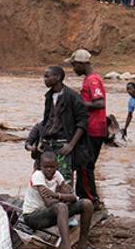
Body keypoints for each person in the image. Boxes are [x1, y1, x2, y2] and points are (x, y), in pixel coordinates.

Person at [22, 151, 102, 249]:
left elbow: (73, 197)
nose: (49, 170)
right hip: (33, 217)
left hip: (50, 213)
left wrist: (57, 196)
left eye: (52, 167)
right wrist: (62, 197)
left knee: (87, 204)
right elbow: (49, 203)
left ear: (57, 166)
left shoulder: (57, 175)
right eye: (46, 167)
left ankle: (82, 247)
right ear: (40, 166)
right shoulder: (37, 176)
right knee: (61, 207)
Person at [38, 66, 95, 203]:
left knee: (64, 178)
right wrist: (40, 140)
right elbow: (46, 120)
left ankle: (68, 211)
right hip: (49, 143)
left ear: (57, 77)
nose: (44, 79)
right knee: (46, 177)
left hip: (63, 143)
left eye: (47, 76)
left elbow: (82, 122)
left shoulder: (72, 97)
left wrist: (71, 145)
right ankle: (51, 209)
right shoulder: (49, 96)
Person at [67, 50, 105, 205]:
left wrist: (78, 103)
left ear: (82, 64)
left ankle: (90, 199)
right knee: (84, 165)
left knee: (85, 166)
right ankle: (84, 197)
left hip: (93, 128)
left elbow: (99, 103)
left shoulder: (93, 80)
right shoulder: (89, 80)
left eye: (74, 65)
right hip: (92, 127)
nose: (73, 68)